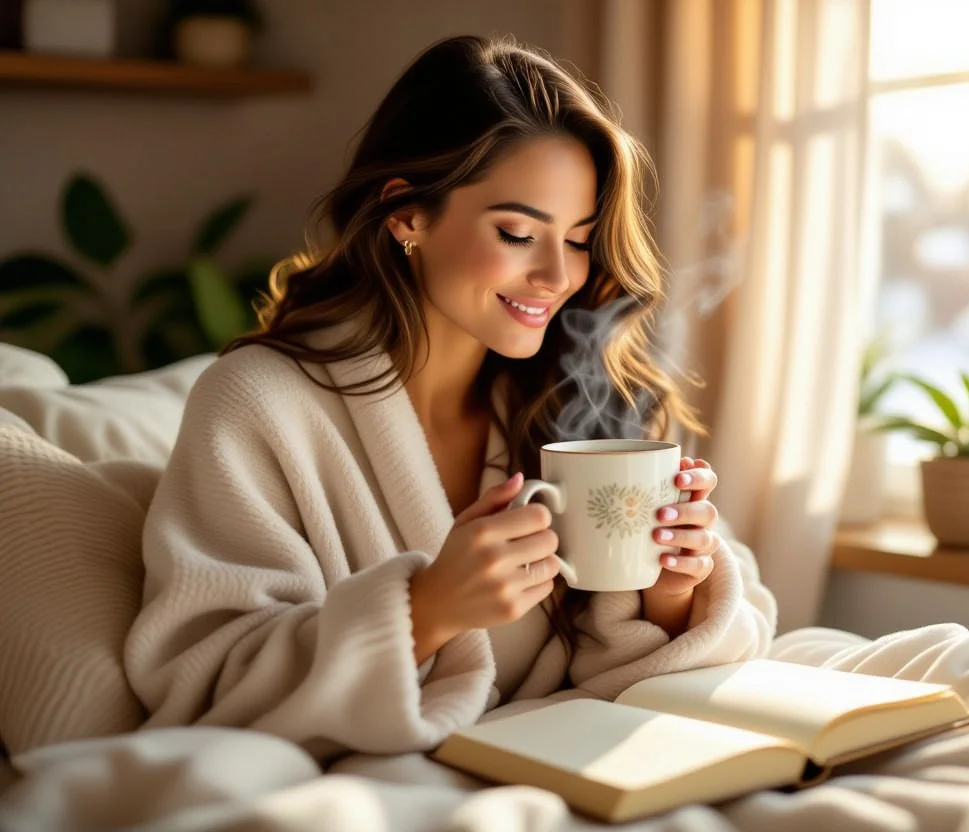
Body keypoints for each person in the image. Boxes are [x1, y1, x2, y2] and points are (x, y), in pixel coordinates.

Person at [124, 34, 777, 763]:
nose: (557, 276)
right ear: (407, 214)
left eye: (579, 240)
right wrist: (428, 610)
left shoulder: (579, 398)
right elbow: (206, 679)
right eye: (518, 233)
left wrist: (672, 591)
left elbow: (724, 626)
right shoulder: (258, 404)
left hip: (581, 763)